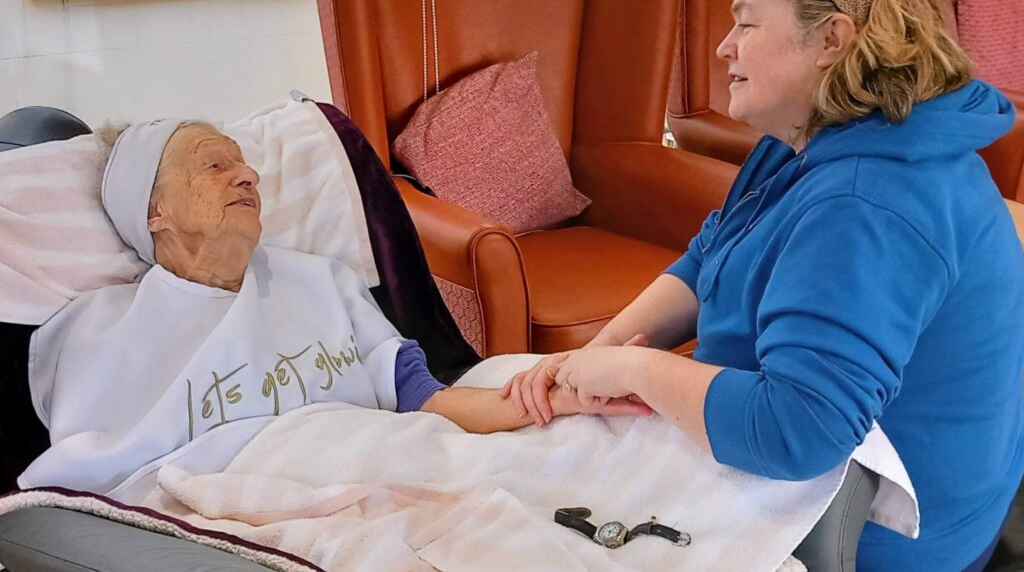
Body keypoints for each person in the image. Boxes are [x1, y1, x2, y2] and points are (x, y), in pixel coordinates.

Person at [503, 0, 1024, 572]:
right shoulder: (814, 135)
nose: (724, 46)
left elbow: (798, 429)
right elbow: (712, 254)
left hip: (876, 539)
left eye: (747, 24)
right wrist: (596, 353)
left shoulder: (867, 203)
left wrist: (633, 370)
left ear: (831, 40)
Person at [21, 120, 648, 495]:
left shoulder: (323, 281)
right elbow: (97, 492)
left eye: (244, 163)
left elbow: (428, 403)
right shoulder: (100, 333)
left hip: (387, 478)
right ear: (152, 211)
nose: (247, 176)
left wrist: (557, 395)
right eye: (215, 165)